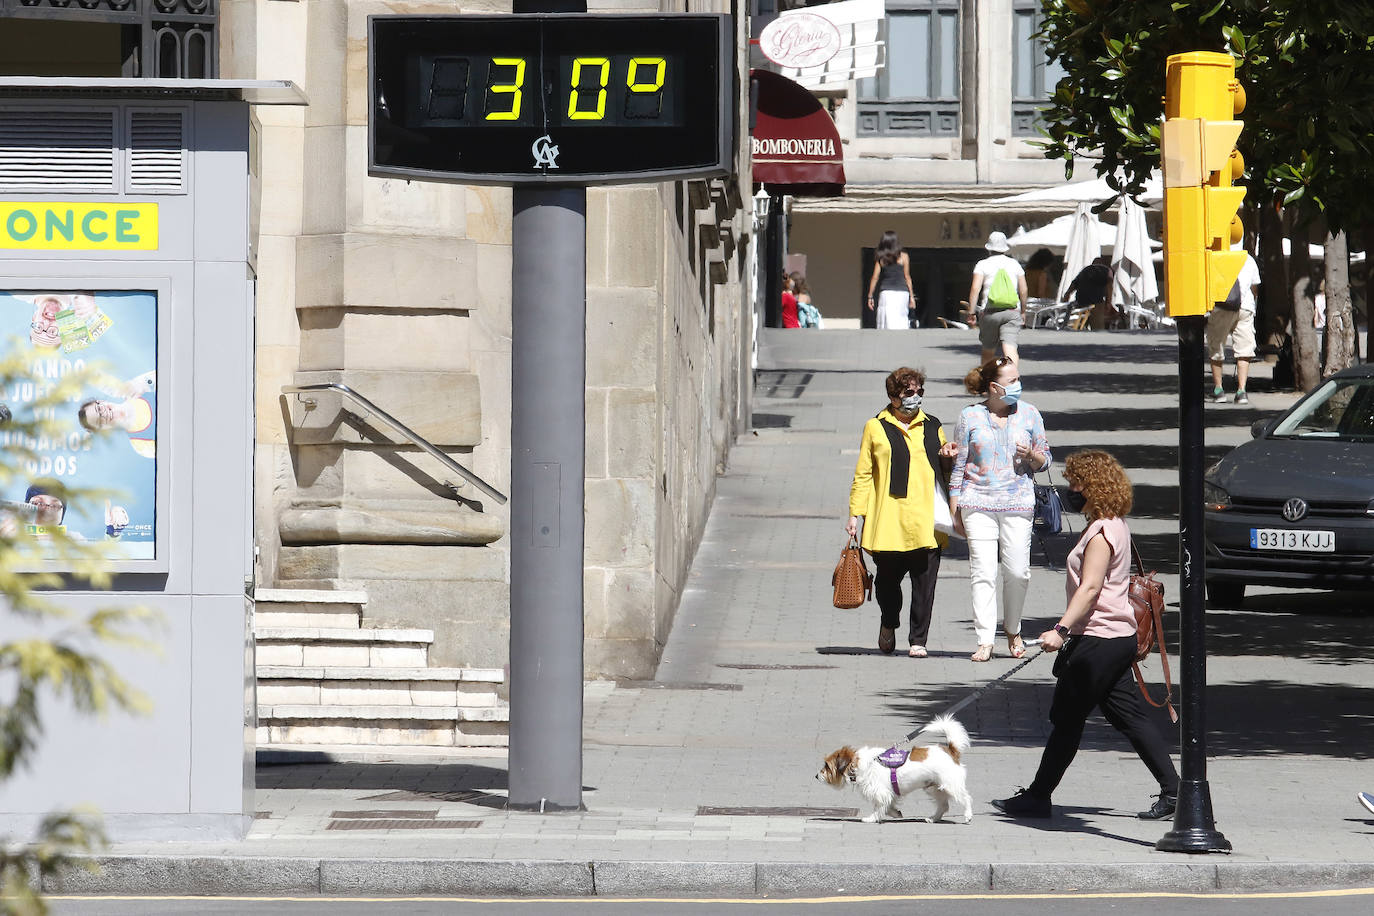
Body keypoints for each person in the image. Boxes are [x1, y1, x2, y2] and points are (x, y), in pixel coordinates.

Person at [992, 450, 1180, 821]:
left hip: (1099, 640)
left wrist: (1060, 630)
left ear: (1093, 486)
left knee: (1068, 719)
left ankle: (1038, 796)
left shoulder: (1101, 532)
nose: (1070, 489)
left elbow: (1092, 587)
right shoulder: (1115, 525)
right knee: (1129, 717)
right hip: (1113, 638)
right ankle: (1175, 792)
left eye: (1075, 482)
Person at [947, 357, 1050, 662]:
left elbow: (1045, 460)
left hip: (1018, 503)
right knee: (983, 571)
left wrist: (1032, 454)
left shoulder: (1030, 414)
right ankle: (984, 639)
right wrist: (955, 507)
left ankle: (1013, 628)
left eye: (1018, 379)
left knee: (1018, 572)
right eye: (1011, 381)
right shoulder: (970, 417)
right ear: (993, 387)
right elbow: (959, 465)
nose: (1018, 385)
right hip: (976, 503)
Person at [847, 367, 951, 658]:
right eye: (908, 393)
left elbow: (946, 470)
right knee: (886, 585)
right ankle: (889, 623)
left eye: (920, 392)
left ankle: (918, 640)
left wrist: (949, 458)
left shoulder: (933, 425)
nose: (915, 397)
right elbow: (864, 474)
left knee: (924, 586)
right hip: (889, 520)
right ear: (893, 396)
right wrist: (855, 514)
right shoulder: (875, 426)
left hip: (927, 521)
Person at [1206, 247, 1261, 403]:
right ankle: (1241, 391)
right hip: (1246, 307)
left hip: (1222, 306)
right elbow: (1255, 286)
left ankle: (1219, 390)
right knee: (1244, 349)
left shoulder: (1216, 256)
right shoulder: (1248, 259)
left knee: (1216, 345)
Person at [967, 231, 1028, 364]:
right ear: (1004, 248)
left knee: (988, 350)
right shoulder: (1015, 264)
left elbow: (975, 289)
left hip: (989, 312)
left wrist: (971, 312)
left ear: (988, 248)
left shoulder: (982, 264)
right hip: (1011, 311)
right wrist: (1023, 310)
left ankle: (986, 381)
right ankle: (1013, 380)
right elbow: (1023, 290)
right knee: (1010, 347)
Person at [77, 371, 156, 459]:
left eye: (99, 409)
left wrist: (145, 383)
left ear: (101, 402)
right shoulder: (141, 445)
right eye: (99, 421)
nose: (105, 415)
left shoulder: (138, 388)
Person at [867, 230, 916, 330]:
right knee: (901, 321)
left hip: (887, 293)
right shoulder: (904, 256)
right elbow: (907, 276)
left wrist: (870, 296)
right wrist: (911, 296)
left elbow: (875, 277)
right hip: (902, 293)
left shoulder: (881, 258)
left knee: (887, 322)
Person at [1062, 255, 1115, 330]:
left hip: (1081, 302)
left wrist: (1067, 295)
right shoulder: (1107, 270)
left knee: (1078, 328)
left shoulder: (1086, 270)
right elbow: (1109, 286)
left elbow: (1074, 283)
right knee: (1097, 329)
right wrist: (1108, 303)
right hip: (1096, 303)